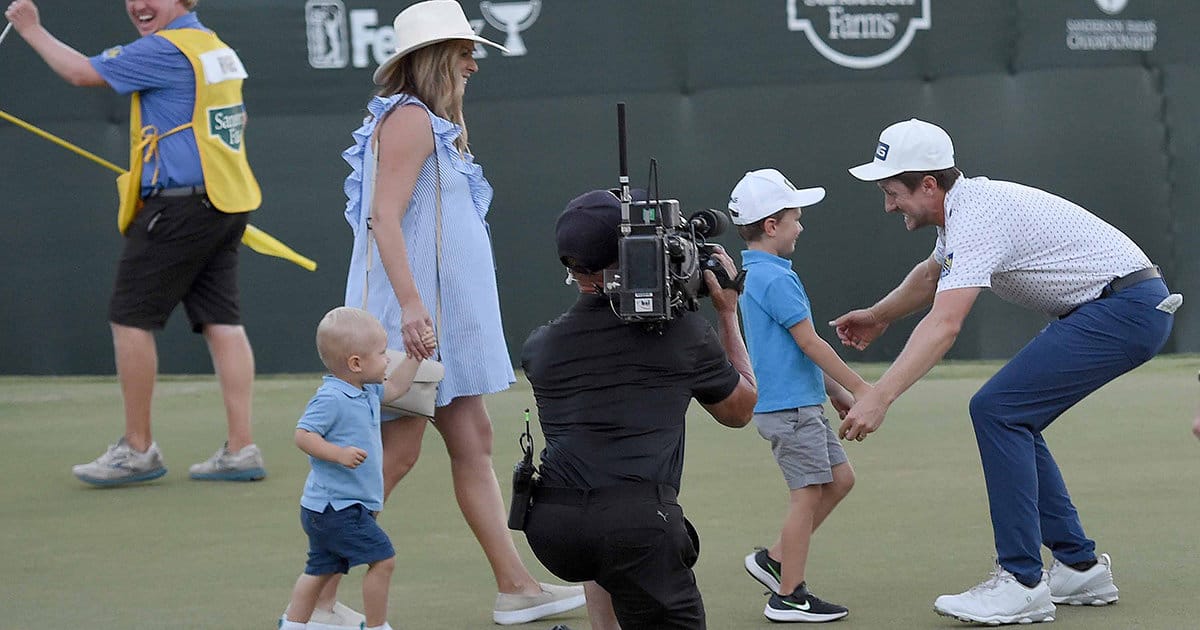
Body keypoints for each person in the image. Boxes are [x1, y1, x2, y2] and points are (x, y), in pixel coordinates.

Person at [832, 118, 1181, 625]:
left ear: (929, 185)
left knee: (999, 410)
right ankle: (1078, 567)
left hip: (1124, 310)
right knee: (1010, 413)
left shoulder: (977, 215)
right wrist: (879, 315)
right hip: (1119, 308)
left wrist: (880, 395)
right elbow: (933, 275)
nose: (888, 205)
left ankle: (1021, 582)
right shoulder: (967, 210)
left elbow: (945, 324)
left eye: (892, 192)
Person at [323, 1, 584, 626]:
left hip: (440, 326)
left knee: (473, 441)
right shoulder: (410, 120)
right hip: (420, 326)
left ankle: (516, 586)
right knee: (398, 455)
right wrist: (412, 310)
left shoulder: (429, 122)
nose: (473, 62)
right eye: (464, 52)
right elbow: (384, 217)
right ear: (438, 57)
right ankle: (316, 599)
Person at [4, 0, 266, 486]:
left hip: (181, 205)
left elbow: (81, 73)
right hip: (226, 201)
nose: (139, 4)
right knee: (222, 322)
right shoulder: (214, 48)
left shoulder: (166, 49)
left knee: (130, 318)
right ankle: (240, 448)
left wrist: (30, 29)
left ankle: (138, 450)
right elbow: (237, 121)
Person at [519, 189, 759, 629]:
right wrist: (727, 312)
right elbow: (739, 409)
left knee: (608, 545)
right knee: (623, 537)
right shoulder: (683, 335)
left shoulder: (541, 347)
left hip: (555, 527)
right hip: (638, 530)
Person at [729, 169, 869, 623]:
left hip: (799, 405)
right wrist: (859, 387)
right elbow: (810, 342)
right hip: (790, 412)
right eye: (795, 217)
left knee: (840, 480)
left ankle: (773, 560)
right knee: (806, 496)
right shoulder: (775, 279)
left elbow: (794, 350)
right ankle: (789, 594)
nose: (800, 226)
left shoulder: (759, 274)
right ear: (772, 226)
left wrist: (832, 393)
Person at [281, 307, 425, 630]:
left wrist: (417, 356)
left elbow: (398, 387)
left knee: (319, 570)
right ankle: (377, 626)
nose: (388, 359)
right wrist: (338, 454)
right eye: (381, 353)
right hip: (336, 510)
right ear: (356, 363)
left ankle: (292, 625)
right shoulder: (331, 397)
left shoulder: (368, 391)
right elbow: (303, 435)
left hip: (332, 508)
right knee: (383, 559)